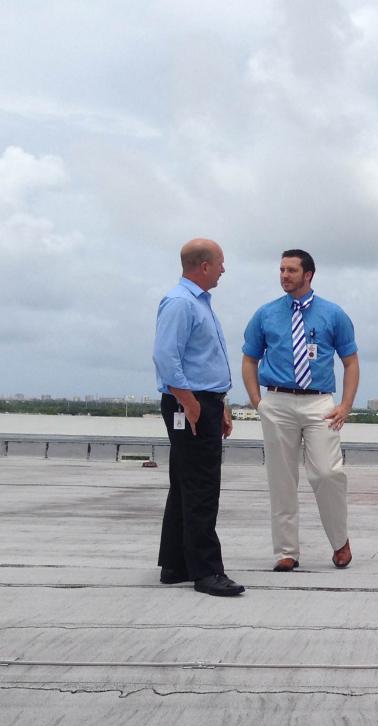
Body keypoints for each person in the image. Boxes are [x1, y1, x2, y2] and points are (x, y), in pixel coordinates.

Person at [241, 250, 359, 571]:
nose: (284, 275)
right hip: (277, 401)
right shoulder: (265, 315)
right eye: (281, 269)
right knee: (281, 479)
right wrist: (258, 402)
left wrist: (345, 405)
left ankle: (340, 541)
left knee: (327, 473)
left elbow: (350, 362)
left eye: (291, 270)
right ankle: (286, 552)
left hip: (320, 401)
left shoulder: (333, 315)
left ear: (308, 275)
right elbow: (250, 359)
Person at [152, 238, 245, 597]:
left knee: (184, 487)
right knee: (202, 489)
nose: (224, 268)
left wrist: (218, 402)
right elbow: (166, 358)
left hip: (203, 401)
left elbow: (201, 362)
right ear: (203, 266)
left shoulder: (198, 302)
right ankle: (208, 572)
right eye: (221, 262)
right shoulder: (180, 303)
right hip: (188, 405)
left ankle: (175, 565)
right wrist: (190, 403)